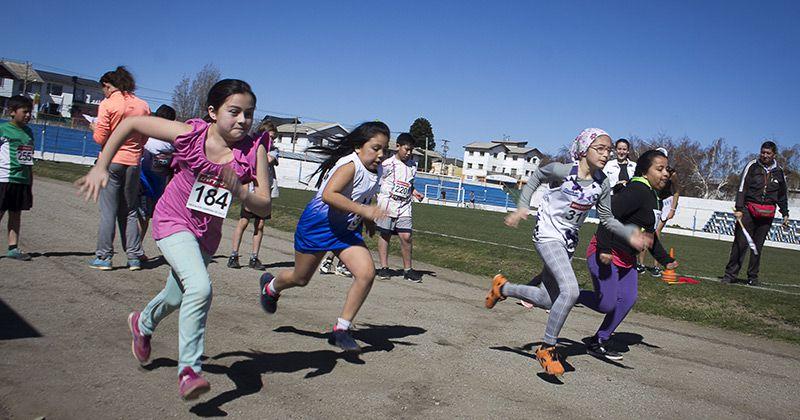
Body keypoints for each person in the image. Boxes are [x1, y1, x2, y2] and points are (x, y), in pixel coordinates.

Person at [77, 79, 271, 400]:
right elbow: (132, 123)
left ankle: (142, 324)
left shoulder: (254, 150)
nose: (242, 120)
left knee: (176, 296)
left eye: (248, 114)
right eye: (234, 112)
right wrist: (101, 165)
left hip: (206, 234)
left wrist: (240, 191)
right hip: (173, 220)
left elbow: (264, 204)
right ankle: (190, 370)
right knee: (200, 288)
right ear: (212, 111)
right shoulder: (189, 134)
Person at [485, 128, 649, 377]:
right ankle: (547, 347)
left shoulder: (602, 183)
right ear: (584, 150)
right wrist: (522, 207)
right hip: (546, 236)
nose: (606, 154)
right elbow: (537, 176)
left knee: (547, 299)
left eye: (609, 150)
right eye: (600, 149)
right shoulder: (563, 171)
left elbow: (606, 218)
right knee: (571, 291)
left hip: (567, 243)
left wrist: (629, 233)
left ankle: (502, 288)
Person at [258, 121, 389, 353]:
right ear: (359, 147)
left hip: (345, 230)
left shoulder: (378, 170)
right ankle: (271, 287)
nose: (380, 155)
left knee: (366, 273)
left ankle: (341, 329)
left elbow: (364, 196)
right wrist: (363, 211)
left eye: (384, 150)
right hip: (318, 224)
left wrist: (368, 219)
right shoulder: (350, 165)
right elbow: (329, 194)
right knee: (300, 279)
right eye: (375, 148)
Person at [577, 149, 679, 360]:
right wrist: (604, 249)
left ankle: (599, 341)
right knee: (606, 303)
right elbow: (608, 215)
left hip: (626, 258)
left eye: (666, 169)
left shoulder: (653, 197)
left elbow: (650, 235)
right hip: (607, 251)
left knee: (628, 298)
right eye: (659, 169)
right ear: (644, 171)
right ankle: (568, 292)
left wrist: (664, 260)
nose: (665, 173)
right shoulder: (637, 191)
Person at [89, 66, 151, 271]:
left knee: (109, 210)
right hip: (133, 162)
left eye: (104, 88)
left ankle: (104, 256)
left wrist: (94, 128)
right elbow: (145, 137)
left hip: (111, 160)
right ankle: (134, 256)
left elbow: (100, 138)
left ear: (108, 85)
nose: (104, 92)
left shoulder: (108, 104)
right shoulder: (143, 105)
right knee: (130, 210)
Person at [722, 141, 790, 286]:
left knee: (757, 247)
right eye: (763, 152)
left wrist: (785, 213)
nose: (765, 155)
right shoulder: (752, 166)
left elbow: (782, 195)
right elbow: (742, 188)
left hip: (767, 214)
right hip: (748, 211)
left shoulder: (779, 172)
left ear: (774, 155)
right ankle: (730, 275)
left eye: (768, 153)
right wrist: (739, 209)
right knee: (740, 243)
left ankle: (753, 277)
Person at [228, 119, 278, 270]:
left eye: (274, 138)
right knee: (243, 221)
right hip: (251, 189)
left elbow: (269, 159)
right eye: (269, 137)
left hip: (265, 191)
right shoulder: (251, 147)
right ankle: (234, 255)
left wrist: (262, 149)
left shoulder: (273, 150)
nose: (272, 140)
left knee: (260, 224)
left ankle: (254, 257)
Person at [375, 133, 424, 282]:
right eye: (406, 149)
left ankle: (408, 270)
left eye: (411, 150)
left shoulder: (412, 166)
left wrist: (414, 192)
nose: (408, 153)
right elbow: (377, 180)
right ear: (397, 147)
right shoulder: (386, 164)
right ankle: (384, 268)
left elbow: (409, 183)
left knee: (406, 236)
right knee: (385, 234)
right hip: (388, 203)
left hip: (405, 205)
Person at [0, 96, 36, 261]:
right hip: (4, 178)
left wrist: (30, 179)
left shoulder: (29, 132)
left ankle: (13, 248)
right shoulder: (3, 129)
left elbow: (29, 158)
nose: (28, 115)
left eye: (30, 112)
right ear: (12, 112)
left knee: (16, 214)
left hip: (21, 180)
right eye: (25, 112)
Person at [636, 147, 680, 277]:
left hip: (665, 203)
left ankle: (656, 266)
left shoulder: (672, 173)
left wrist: (673, 209)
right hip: (652, 200)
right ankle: (640, 264)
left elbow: (677, 191)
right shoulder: (651, 170)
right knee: (645, 231)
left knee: (654, 232)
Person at [138, 104, 177, 241]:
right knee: (147, 217)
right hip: (157, 186)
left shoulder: (147, 137)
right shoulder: (174, 143)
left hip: (144, 181)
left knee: (140, 216)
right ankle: (136, 248)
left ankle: (135, 248)